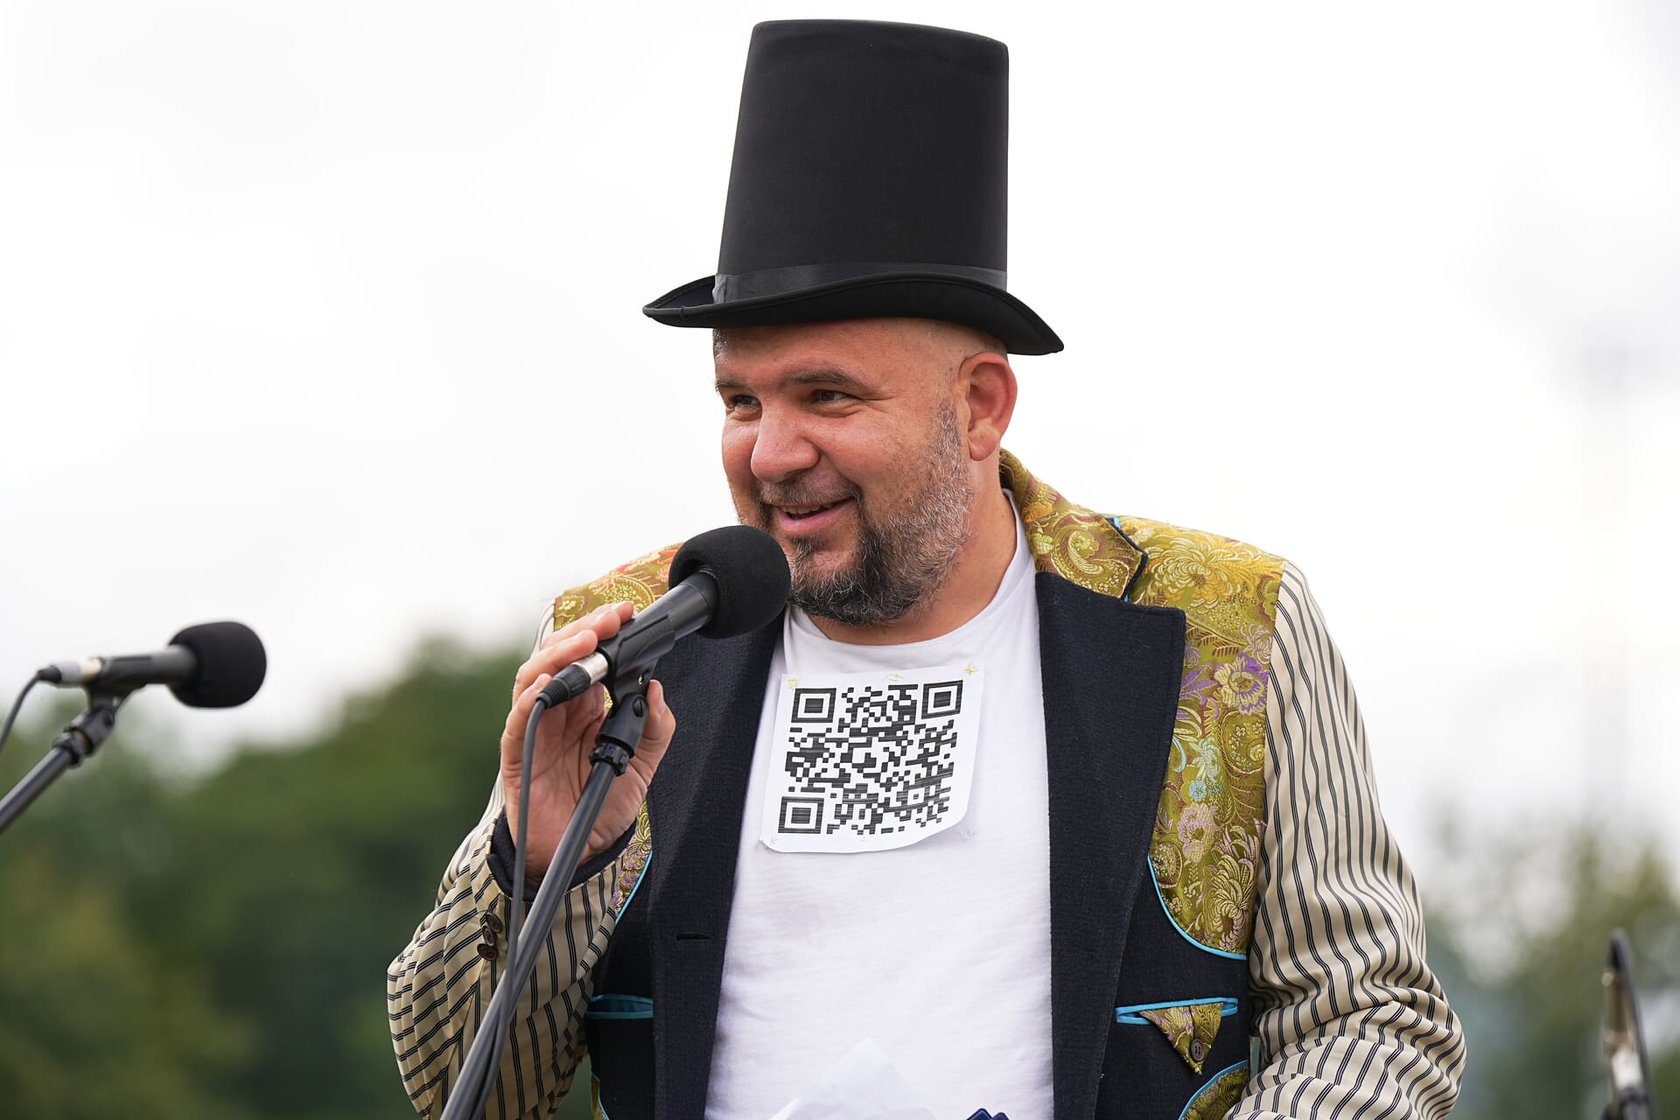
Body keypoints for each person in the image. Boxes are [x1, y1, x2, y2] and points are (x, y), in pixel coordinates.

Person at [388, 20, 1463, 1120]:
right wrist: (540, 859)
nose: (771, 453)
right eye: (741, 400)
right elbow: (474, 1092)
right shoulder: (626, 639)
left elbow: (1368, 1019)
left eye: (828, 396)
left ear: (980, 406)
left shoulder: (1231, 624)